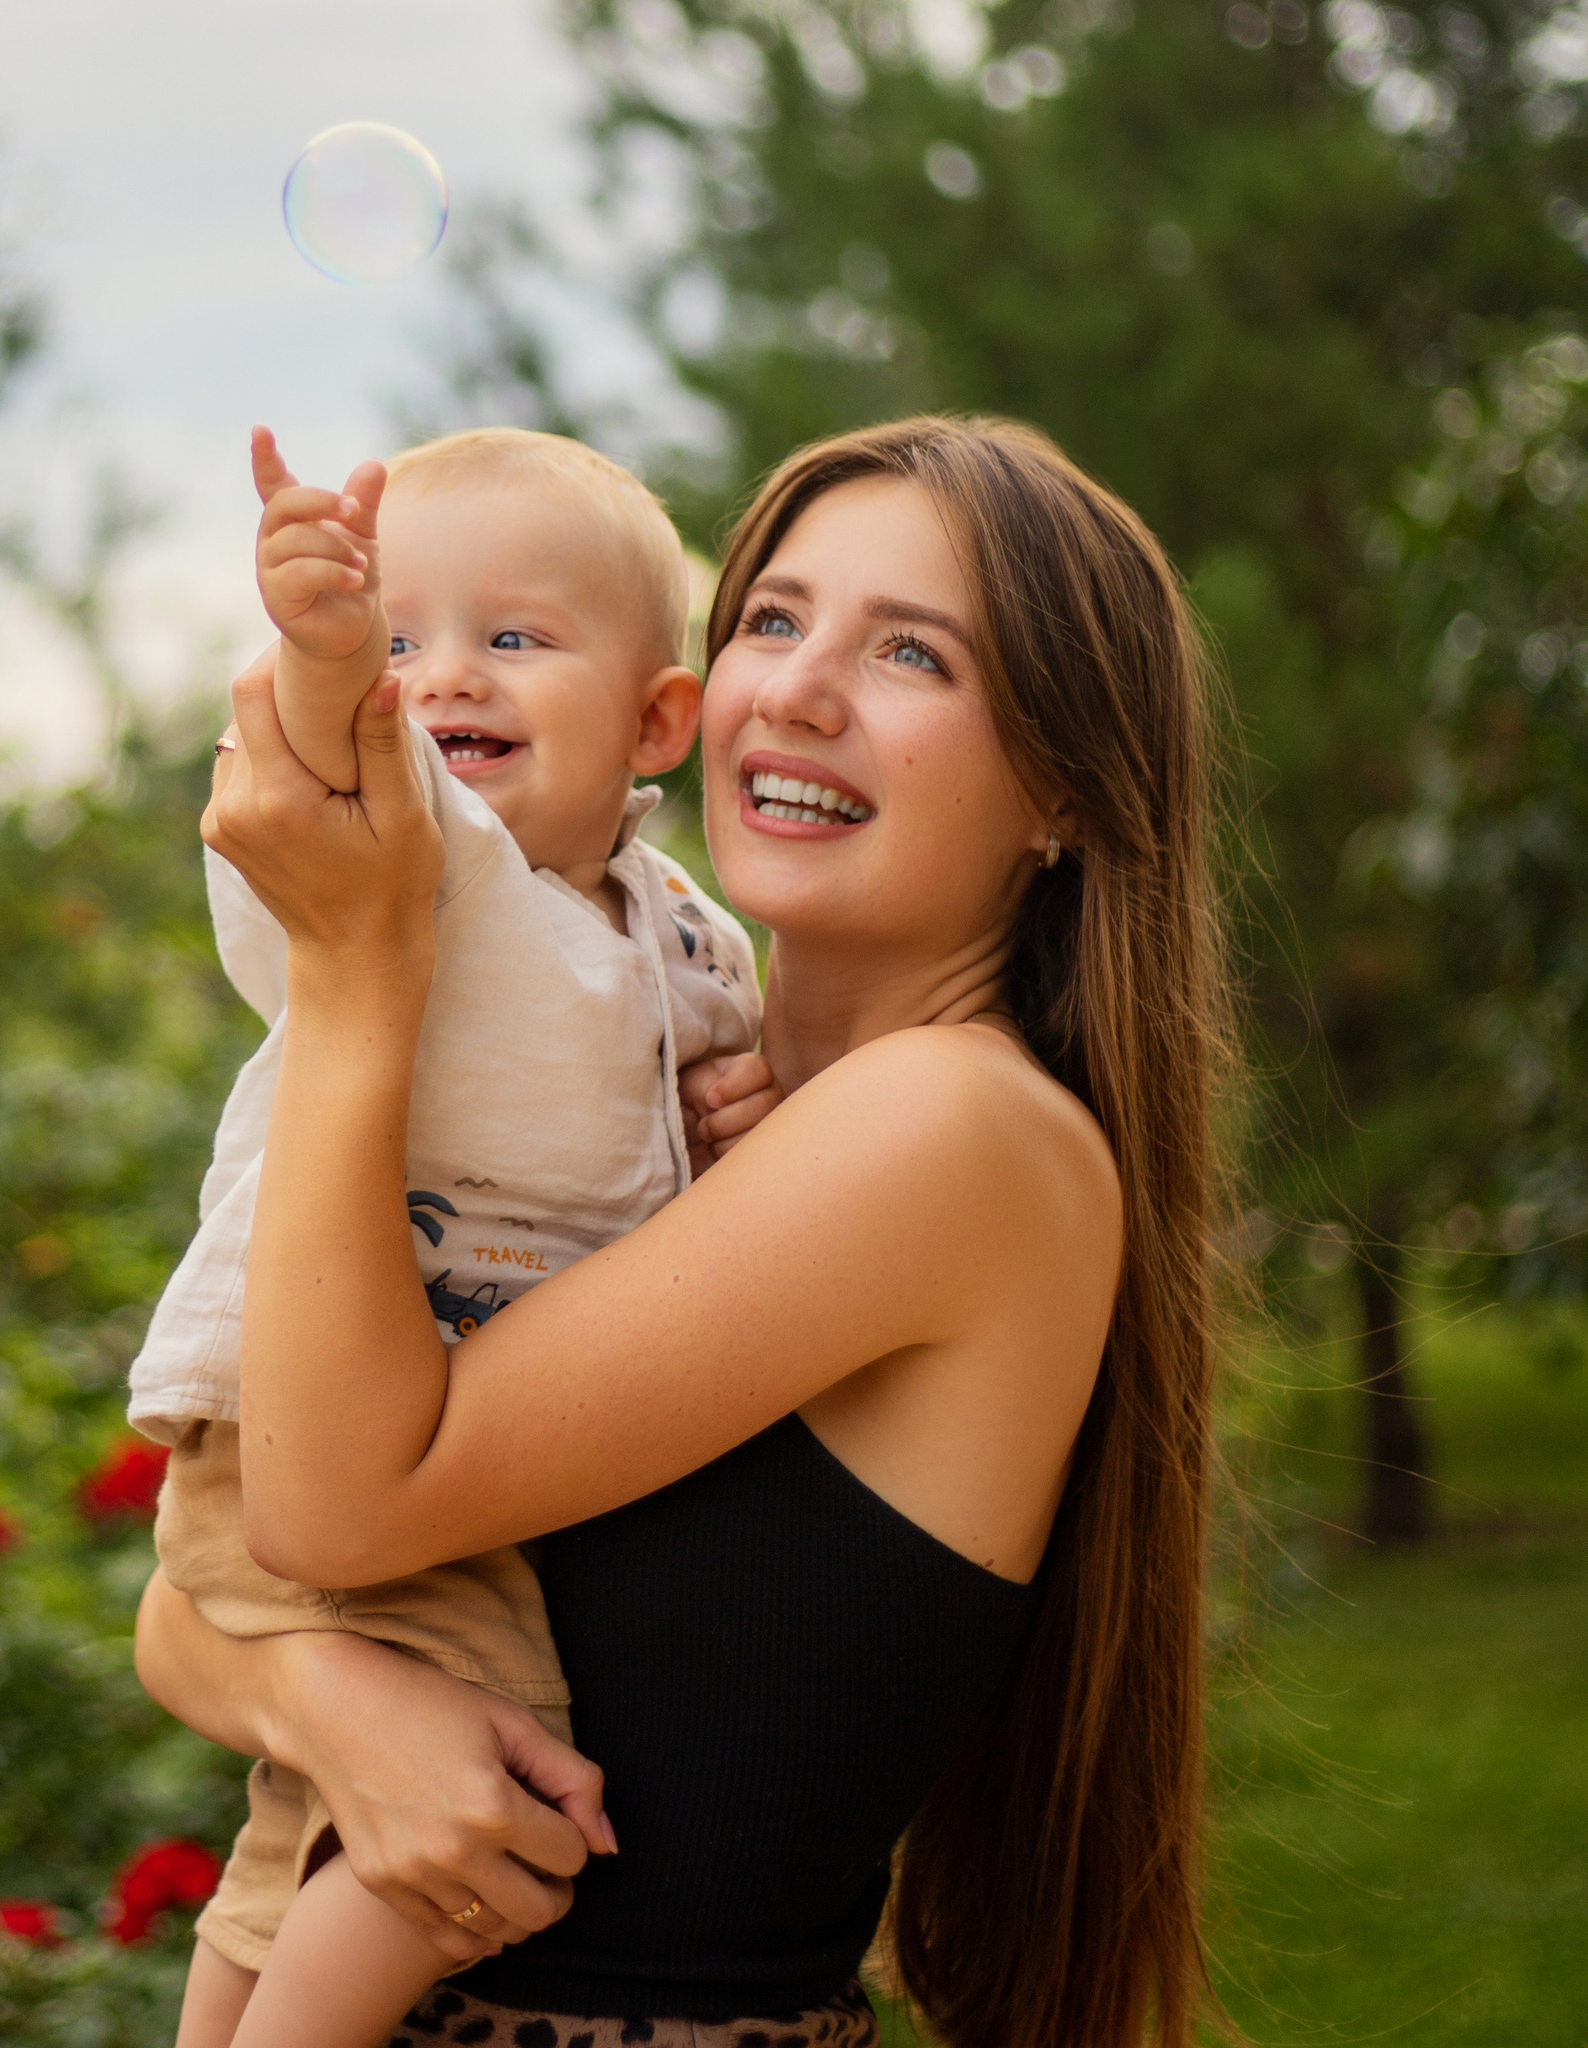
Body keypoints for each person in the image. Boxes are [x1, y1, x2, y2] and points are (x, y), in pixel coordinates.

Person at [139, 415, 1231, 2048]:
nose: (795, 688)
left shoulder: (959, 1130)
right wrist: (326, 1696)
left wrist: (358, 967)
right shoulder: (660, 1119)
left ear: (1062, 788)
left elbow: (328, 1503)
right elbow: (190, 1595)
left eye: (913, 652)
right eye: (774, 620)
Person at [130, 426, 769, 2048]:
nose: (446, 678)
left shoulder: (673, 920)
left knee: (297, 1821)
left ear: (655, 723)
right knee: (485, 1783)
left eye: (515, 637)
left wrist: (763, 1091)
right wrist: (329, 644)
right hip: (314, 1411)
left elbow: (727, 1055)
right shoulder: (420, 857)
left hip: (457, 1420)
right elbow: (348, 756)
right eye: (412, 639)